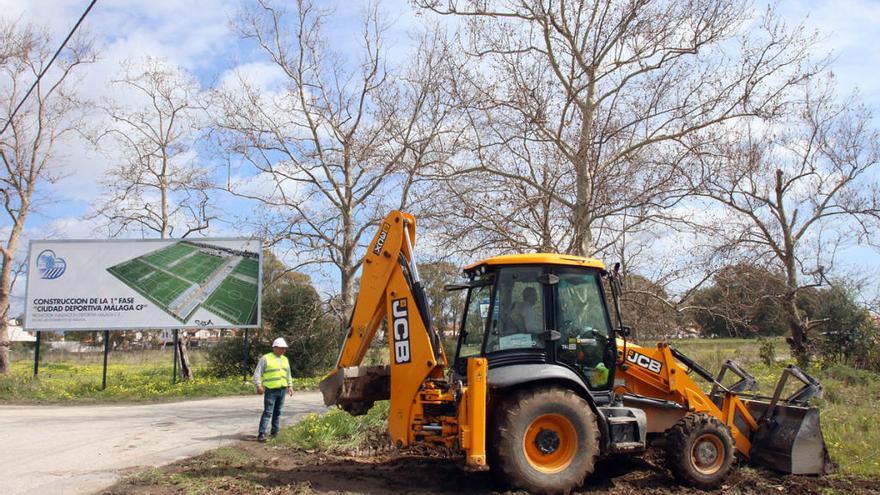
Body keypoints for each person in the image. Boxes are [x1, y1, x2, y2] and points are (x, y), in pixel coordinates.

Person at [253, 337, 294, 442]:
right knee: (268, 412)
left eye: (284, 348)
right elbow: (257, 373)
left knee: (278, 412)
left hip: (282, 389)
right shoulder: (266, 358)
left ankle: (274, 432)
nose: (283, 350)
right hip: (271, 390)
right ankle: (262, 433)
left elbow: (288, 374)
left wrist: (290, 386)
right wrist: (258, 385)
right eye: (281, 348)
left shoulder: (285, 359)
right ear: (275, 348)